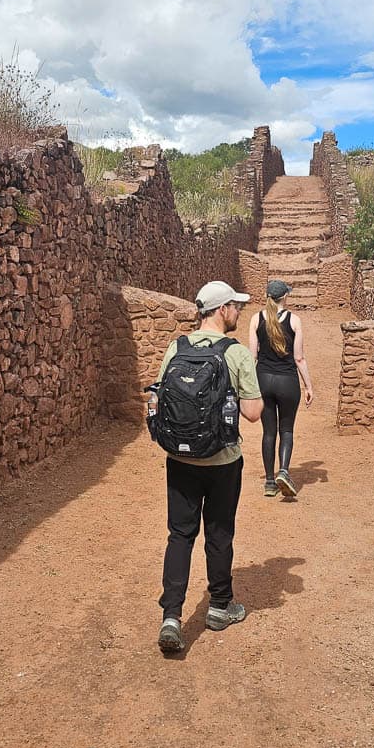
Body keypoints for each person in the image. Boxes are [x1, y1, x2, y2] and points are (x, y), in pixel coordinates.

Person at [155, 280, 263, 654]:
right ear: (221, 310)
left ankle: (171, 616)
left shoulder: (176, 347)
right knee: (219, 534)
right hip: (221, 461)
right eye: (235, 306)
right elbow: (252, 413)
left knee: (179, 535)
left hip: (180, 459)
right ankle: (219, 606)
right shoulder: (235, 354)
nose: (238, 312)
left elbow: (156, 399)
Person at [248, 279, 314, 498]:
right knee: (286, 430)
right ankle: (283, 471)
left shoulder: (256, 319)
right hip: (287, 381)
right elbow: (299, 358)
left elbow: (252, 356)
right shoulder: (294, 320)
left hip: (263, 380)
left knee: (268, 432)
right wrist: (308, 385)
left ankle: (269, 481)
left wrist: (247, 386)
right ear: (285, 296)